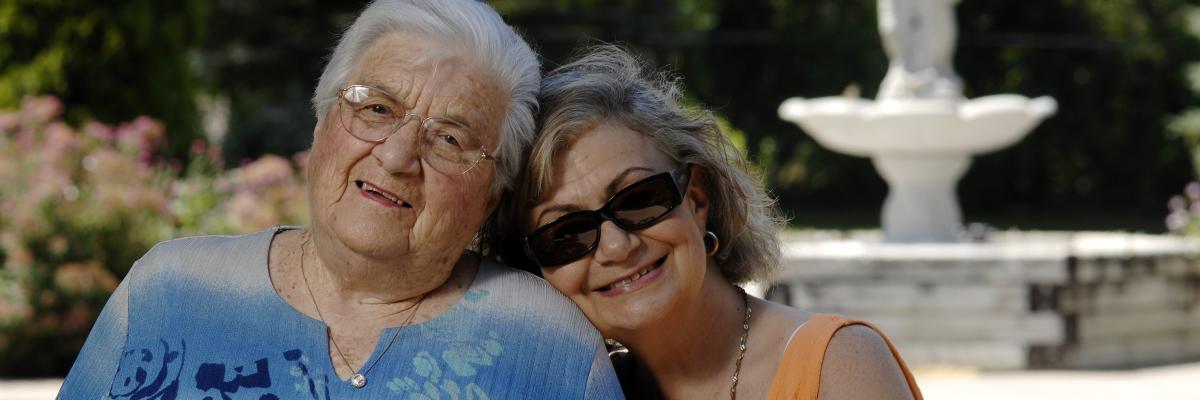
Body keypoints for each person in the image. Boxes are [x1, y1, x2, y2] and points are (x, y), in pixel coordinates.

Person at [57, 1, 623, 398]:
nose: (398, 155)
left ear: (491, 195)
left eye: (450, 139)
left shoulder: (548, 345)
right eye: (376, 108)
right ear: (323, 121)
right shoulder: (168, 291)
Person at [492, 46, 924, 399]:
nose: (616, 247)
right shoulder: (577, 391)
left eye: (638, 200)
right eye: (567, 235)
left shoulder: (839, 367)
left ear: (697, 199)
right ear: (536, 269)